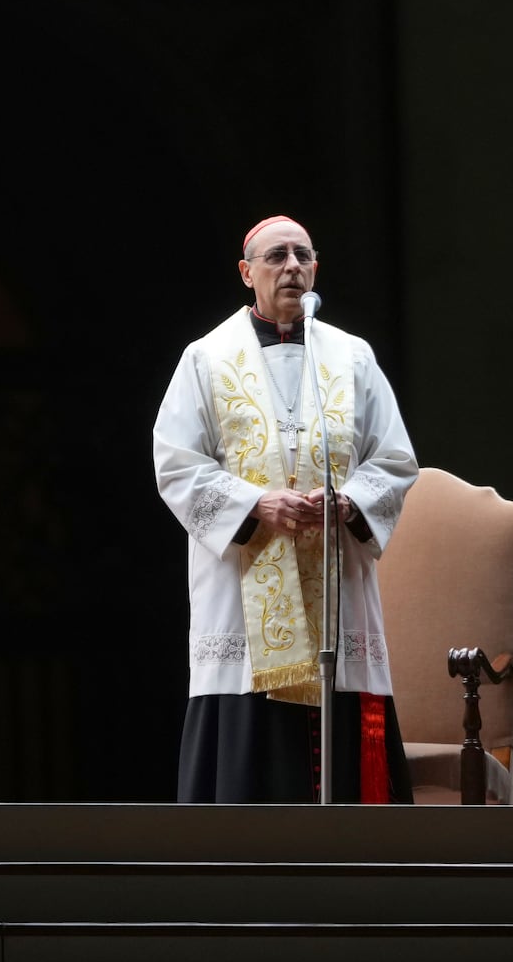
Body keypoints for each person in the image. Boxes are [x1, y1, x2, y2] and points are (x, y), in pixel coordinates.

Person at [152, 214, 419, 803]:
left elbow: (396, 460)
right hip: (245, 581)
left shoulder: (351, 357)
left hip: (336, 574)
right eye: (276, 256)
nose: (292, 266)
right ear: (247, 273)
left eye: (302, 255)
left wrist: (349, 500)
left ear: (317, 268)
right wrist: (254, 504)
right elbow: (175, 462)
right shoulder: (206, 358)